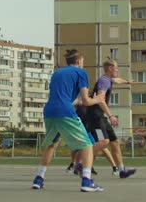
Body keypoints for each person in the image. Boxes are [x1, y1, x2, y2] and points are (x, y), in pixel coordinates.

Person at [31, 49, 105, 192]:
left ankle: (39, 178)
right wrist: (96, 99)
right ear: (78, 62)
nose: (83, 65)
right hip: (65, 111)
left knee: (52, 145)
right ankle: (87, 180)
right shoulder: (81, 73)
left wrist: (75, 101)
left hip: (49, 111)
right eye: (83, 62)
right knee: (88, 145)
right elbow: (86, 101)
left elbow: (62, 97)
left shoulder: (57, 73)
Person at [82, 57, 136, 178]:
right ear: (110, 68)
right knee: (103, 142)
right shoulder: (104, 81)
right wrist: (111, 115)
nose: (117, 70)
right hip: (95, 116)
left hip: (100, 116)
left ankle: (122, 170)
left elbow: (117, 80)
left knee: (114, 142)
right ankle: (81, 162)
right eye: (116, 68)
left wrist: (127, 82)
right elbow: (100, 100)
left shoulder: (109, 79)